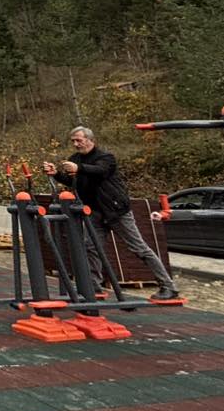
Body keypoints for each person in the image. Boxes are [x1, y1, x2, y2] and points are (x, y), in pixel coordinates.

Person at [43, 126, 179, 301]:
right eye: (73, 141)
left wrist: (79, 168)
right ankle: (94, 286)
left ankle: (168, 286)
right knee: (90, 246)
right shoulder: (75, 159)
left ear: (90, 140)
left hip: (116, 211)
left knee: (139, 248)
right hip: (94, 212)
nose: (76, 144)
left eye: (79, 140)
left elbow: (99, 171)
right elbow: (74, 181)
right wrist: (57, 175)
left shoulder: (106, 158)